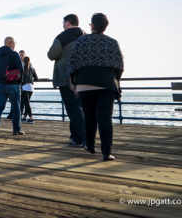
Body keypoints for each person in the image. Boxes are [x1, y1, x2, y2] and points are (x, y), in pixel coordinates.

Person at [69, 13, 123, 162]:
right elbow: (119, 65)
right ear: (106, 26)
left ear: (91, 25)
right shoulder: (112, 42)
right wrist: (116, 80)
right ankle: (106, 152)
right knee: (105, 118)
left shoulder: (81, 41)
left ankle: (90, 145)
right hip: (106, 83)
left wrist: (74, 81)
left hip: (84, 82)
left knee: (89, 116)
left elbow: (72, 63)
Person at [47, 13, 85, 146]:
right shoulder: (85, 36)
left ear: (68, 22)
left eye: (63, 22)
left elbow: (51, 55)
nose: (63, 25)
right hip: (83, 76)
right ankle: (76, 135)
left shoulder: (62, 37)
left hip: (66, 77)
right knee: (80, 108)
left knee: (72, 108)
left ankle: (80, 138)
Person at [0, 37, 24, 137]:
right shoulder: (14, 54)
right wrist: (18, 82)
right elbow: (20, 70)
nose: (15, 45)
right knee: (16, 107)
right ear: (11, 44)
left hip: (0, 85)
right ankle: (16, 130)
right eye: (14, 44)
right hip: (13, 84)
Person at [6, 50, 26, 119]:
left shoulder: (26, 63)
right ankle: (12, 114)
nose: (21, 56)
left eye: (22, 55)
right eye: (20, 55)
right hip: (15, 83)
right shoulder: (16, 62)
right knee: (13, 100)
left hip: (23, 84)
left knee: (20, 101)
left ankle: (18, 115)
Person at [21, 56, 38, 123]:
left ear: (23, 61)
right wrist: (31, 80)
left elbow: (21, 78)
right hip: (31, 87)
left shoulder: (23, 68)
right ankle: (24, 117)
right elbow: (37, 79)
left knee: (27, 104)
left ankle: (31, 118)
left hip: (25, 87)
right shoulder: (33, 68)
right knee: (27, 103)